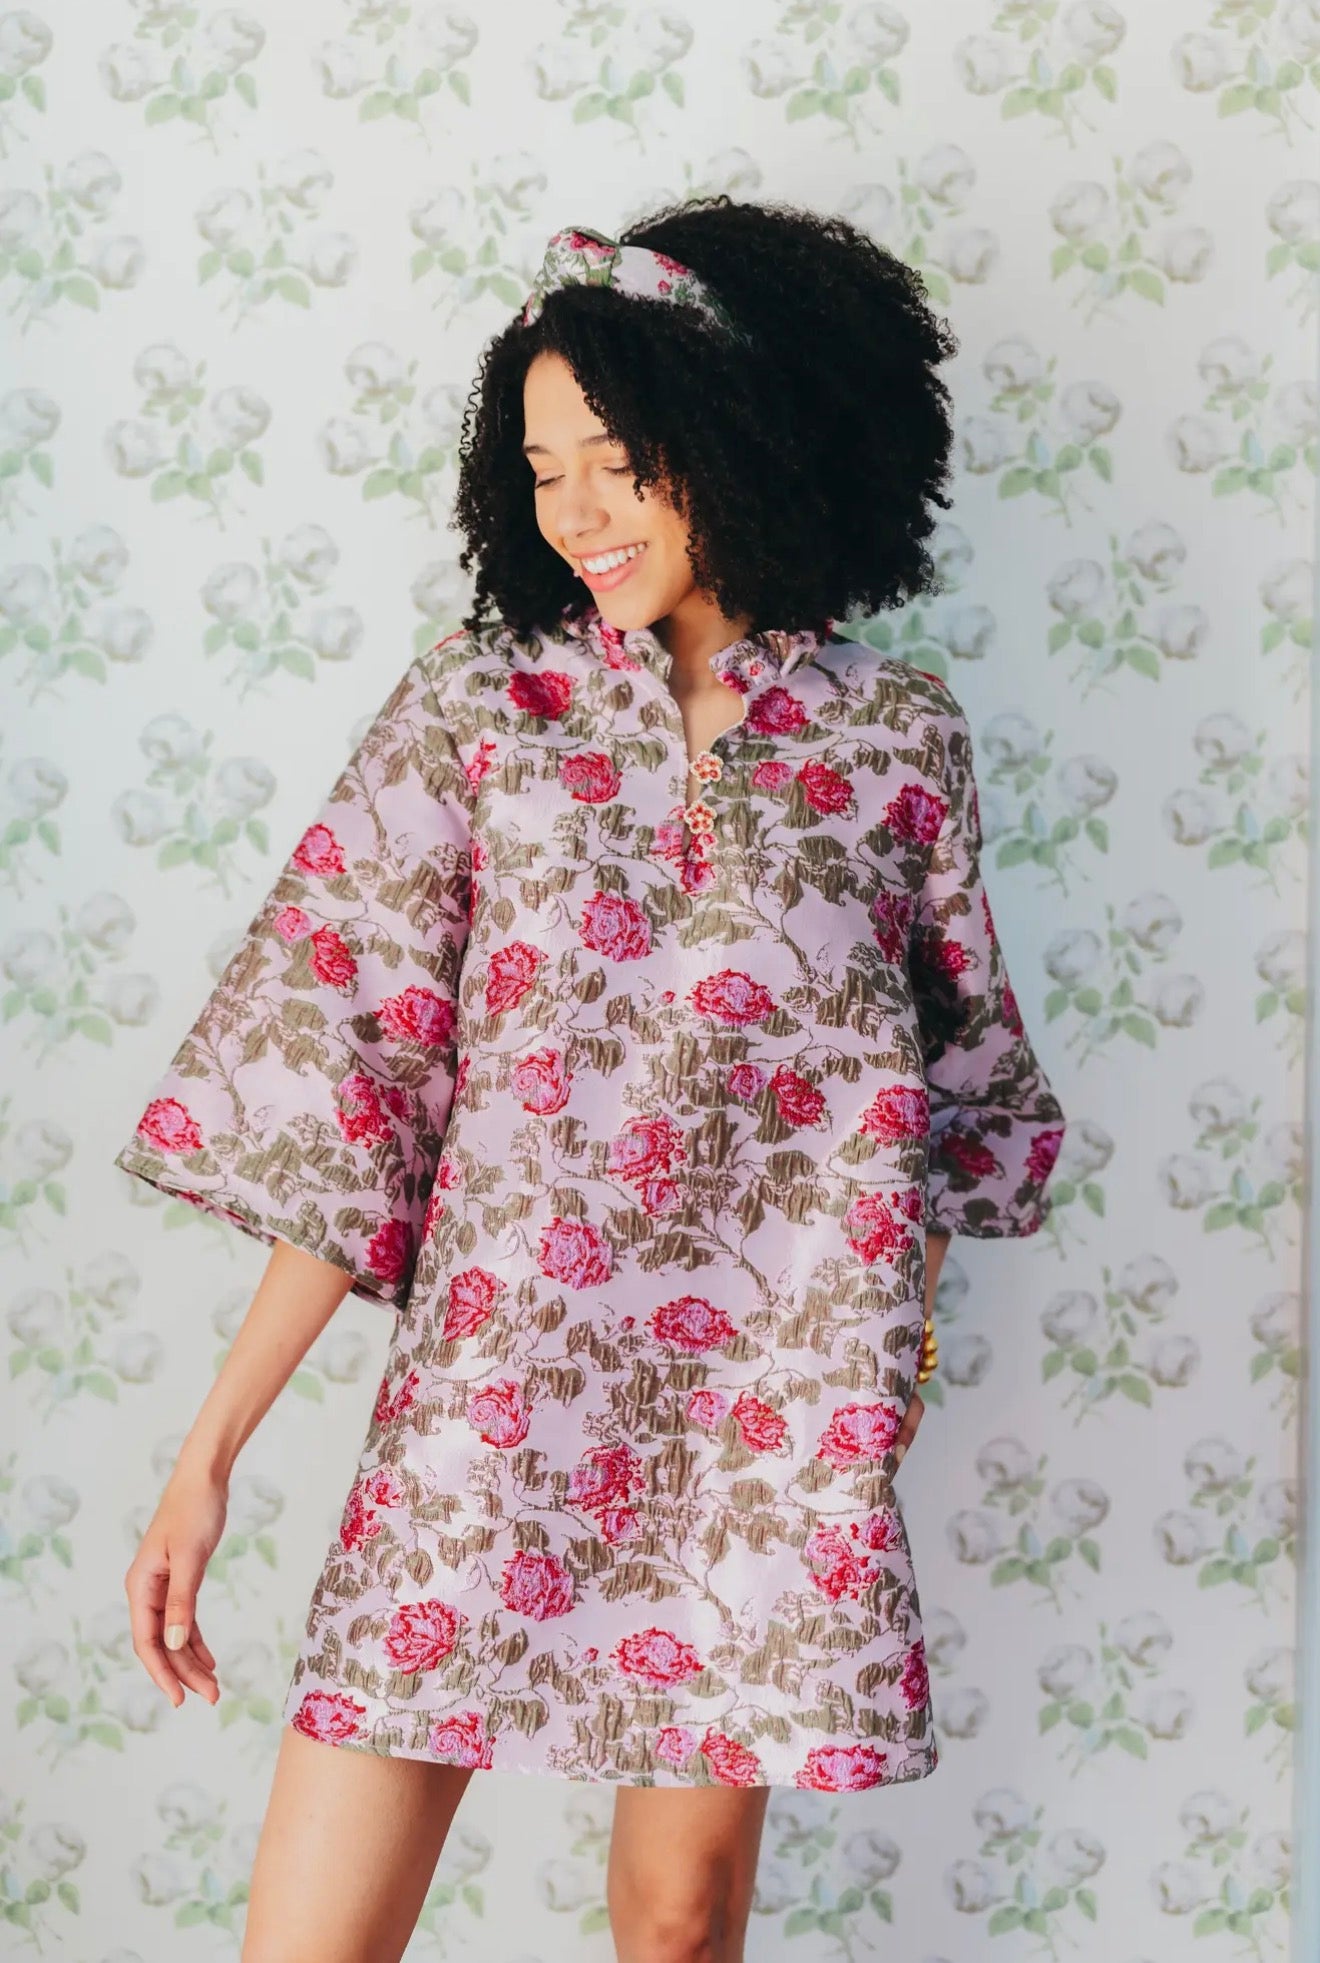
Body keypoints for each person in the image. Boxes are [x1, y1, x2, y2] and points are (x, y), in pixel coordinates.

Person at [116, 197, 1068, 1963]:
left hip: (761, 1426)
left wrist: (892, 1376)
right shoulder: (482, 713)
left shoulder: (896, 738)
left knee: (683, 1925)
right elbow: (354, 1094)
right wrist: (208, 1459)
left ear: (742, 437)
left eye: (617, 463)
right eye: (543, 470)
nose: (575, 512)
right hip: (489, 1399)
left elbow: (953, 1099)